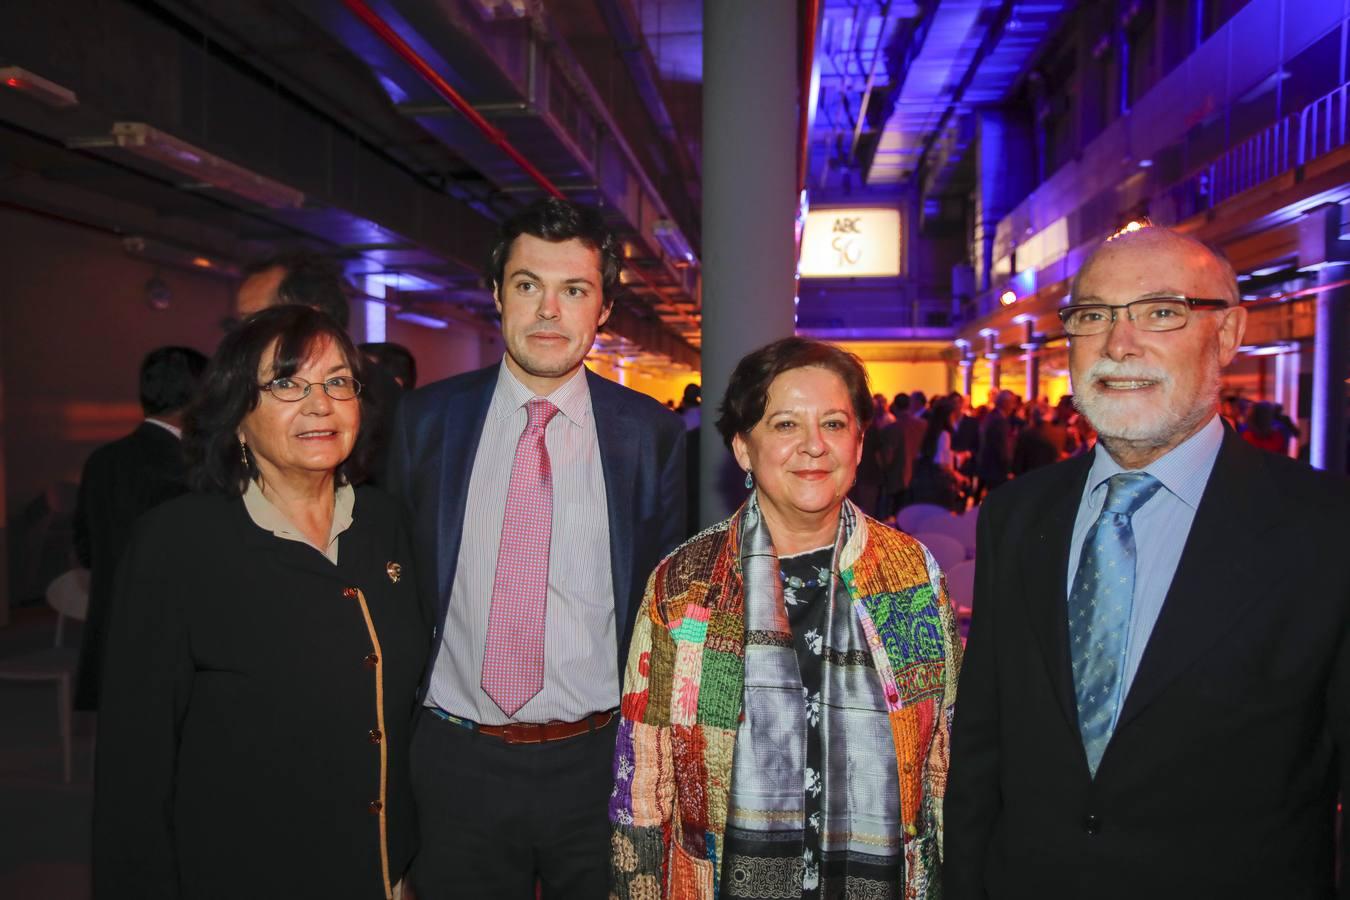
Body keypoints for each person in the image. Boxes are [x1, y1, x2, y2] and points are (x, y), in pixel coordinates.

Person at [945, 225, 1350, 898]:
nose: (1118, 344)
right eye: (1093, 315)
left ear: (1226, 335)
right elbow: (983, 746)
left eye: (1160, 312)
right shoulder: (1018, 516)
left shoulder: (1325, 528)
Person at [386, 198, 686, 899]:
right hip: (456, 761)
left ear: (604, 308)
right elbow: (395, 585)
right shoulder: (425, 422)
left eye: (574, 290)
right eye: (528, 285)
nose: (549, 310)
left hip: (597, 766)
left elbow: (663, 607)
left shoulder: (649, 437)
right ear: (496, 296)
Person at [94, 306, 426, 900]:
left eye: (338, 382)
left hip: (383, 874)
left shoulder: (386, 524)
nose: (320, 404)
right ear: (236, 415)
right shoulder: (178, 543)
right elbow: (133, 767)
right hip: (248, 871)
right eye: (286, 384)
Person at [610, 337, 960, 900]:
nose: (814, 446)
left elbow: (945, 756)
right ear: (743, 449)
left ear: (860, 442)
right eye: (785, 425)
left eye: (834, 424)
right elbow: (643, 783)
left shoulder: (909, 574)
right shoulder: (686, 584)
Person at [73, 345, 207, 711]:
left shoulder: (102, 461)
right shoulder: (196, 466)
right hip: (177, 643)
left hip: (114, 639)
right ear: (197, 398)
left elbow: (84, 551)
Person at [908, 394, 967, 512]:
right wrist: (957, 475)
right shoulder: (944, 435)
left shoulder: (931, 432)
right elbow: (941, 462)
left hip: (926, 482)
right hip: (938, 485)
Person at [975, 390, 1016, 495]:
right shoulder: (1000, 421)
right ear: (1005, 403)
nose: (1013, 406)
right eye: (1012, 402)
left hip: (987, 466)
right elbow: (1002, 447)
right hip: (996, 469)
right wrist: (1008, 469)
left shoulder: (991, 416)